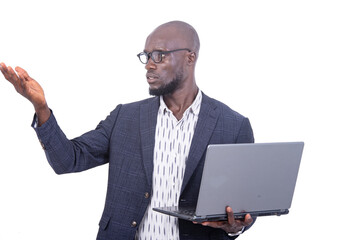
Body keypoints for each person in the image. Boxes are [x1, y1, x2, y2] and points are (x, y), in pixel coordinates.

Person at [0, 21, 255, 240]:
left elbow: (248, 208)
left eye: (160, 55)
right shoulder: (126, 117)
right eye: (146, 55)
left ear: (190, 57)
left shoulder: (233, 125)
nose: (149, 65)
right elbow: (68, 160)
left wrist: (236, 227)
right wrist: (41, 108)